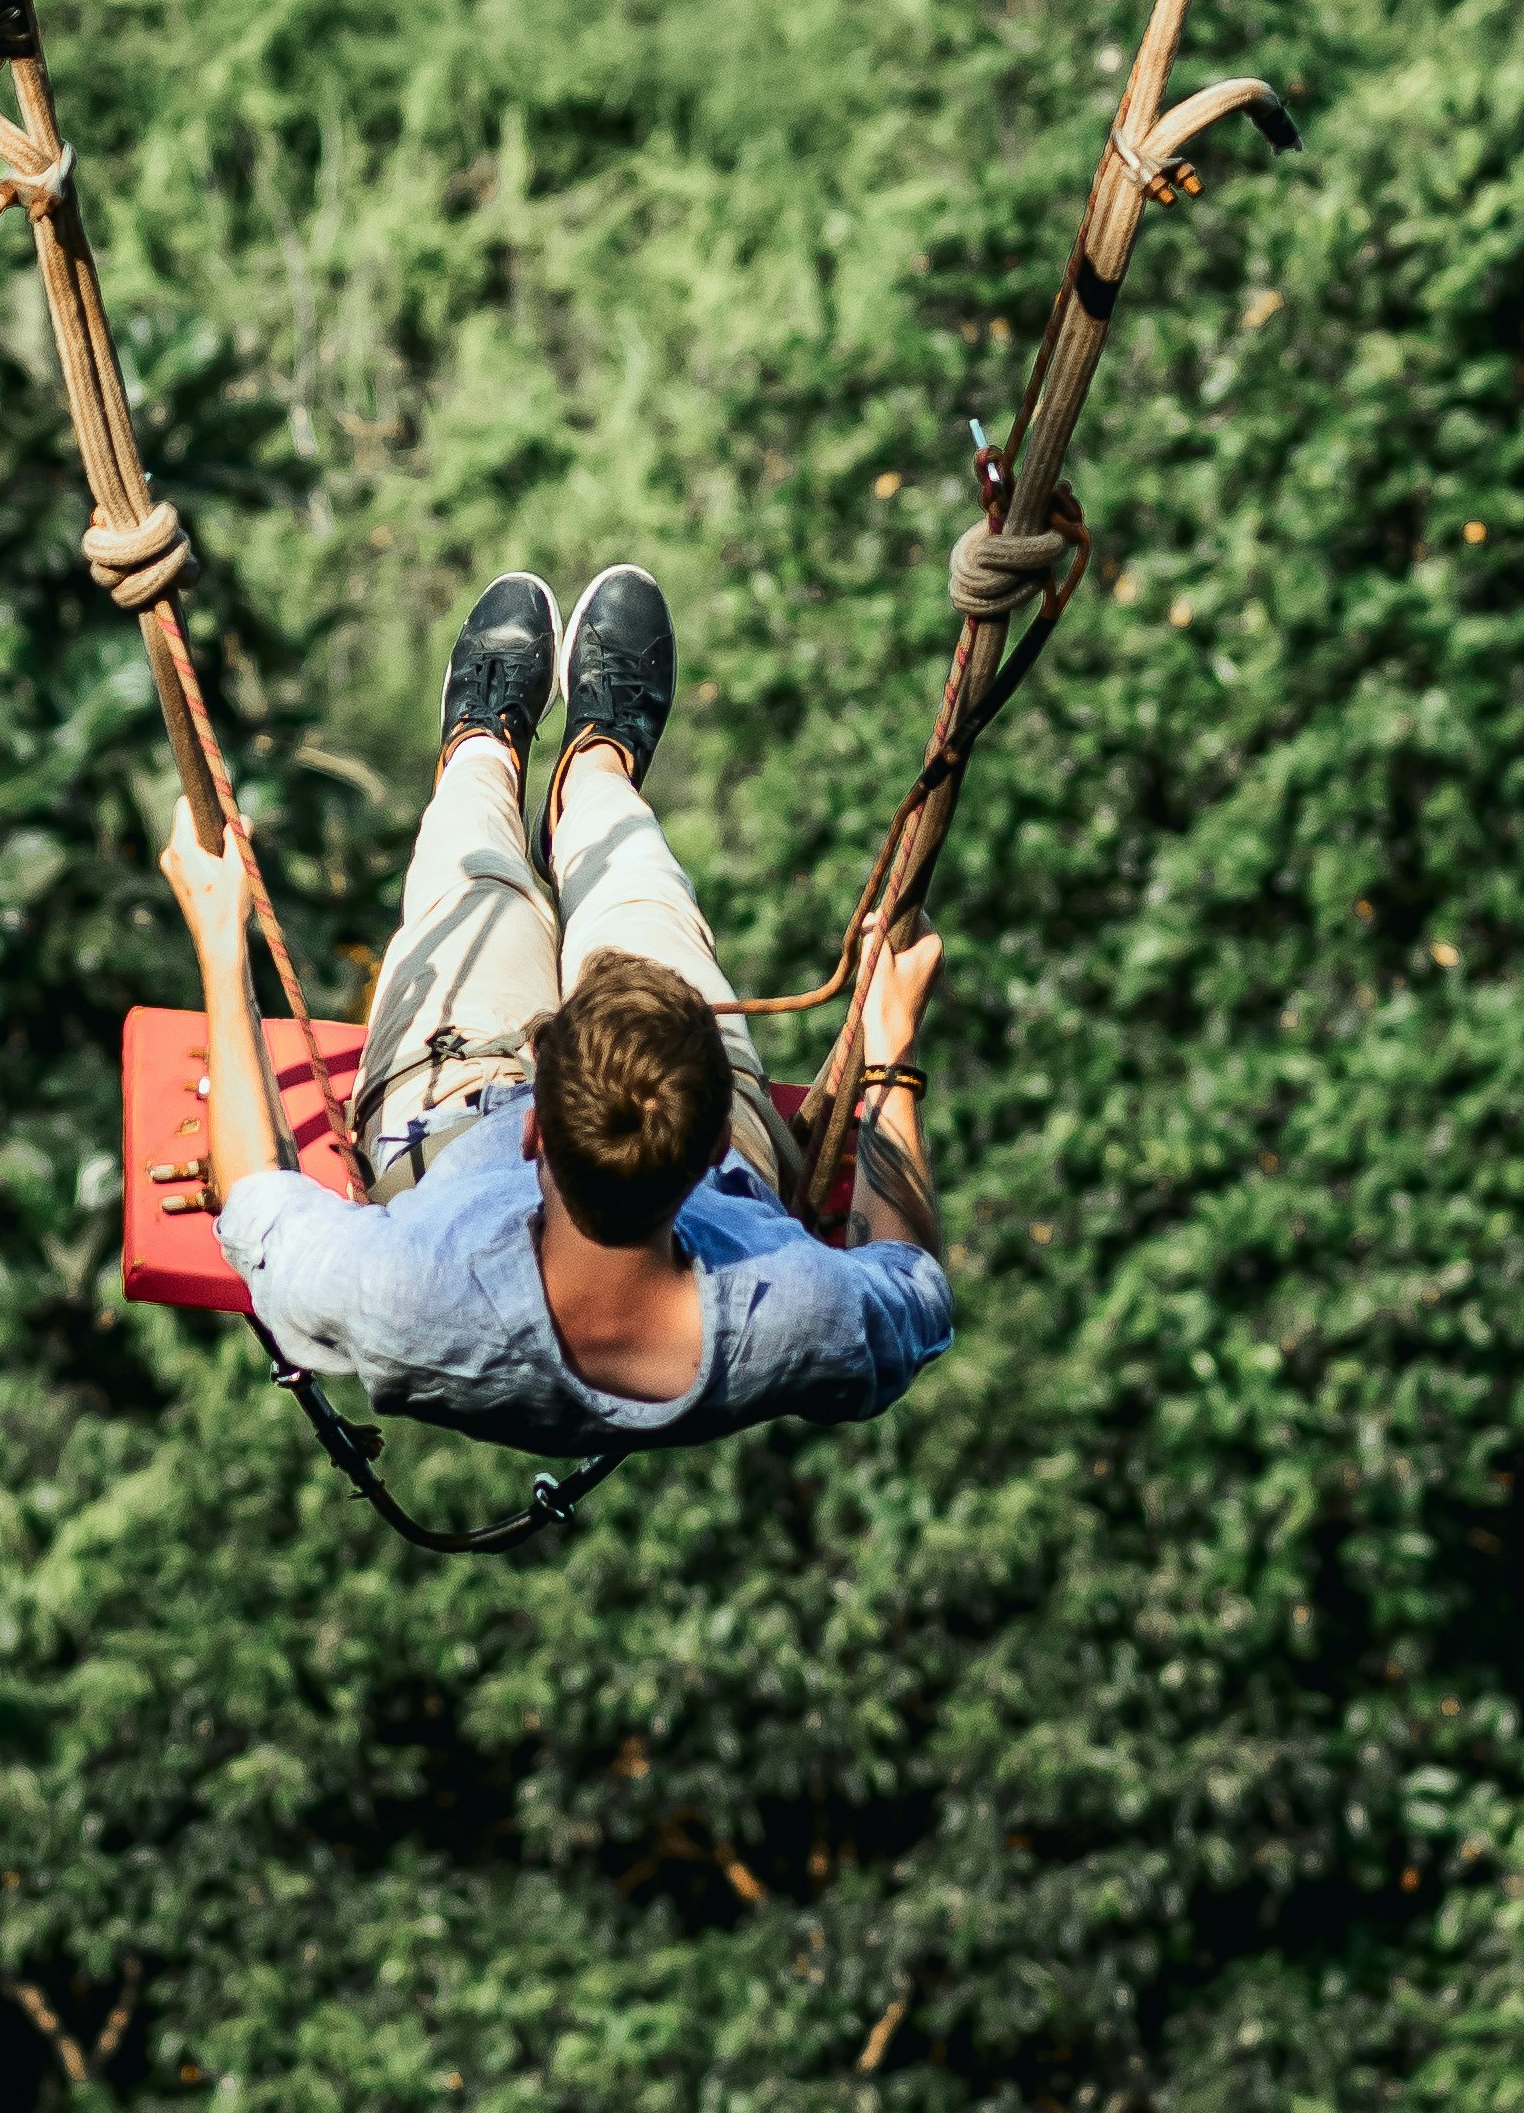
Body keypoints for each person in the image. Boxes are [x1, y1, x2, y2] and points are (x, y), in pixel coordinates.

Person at [157, 561, 953, 1460]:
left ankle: (485, 753)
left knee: (471, 862)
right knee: (639, 895)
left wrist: (221, 947)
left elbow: (258, 1199)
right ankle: (594, 775)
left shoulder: (403, 1292)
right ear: (711, 1148)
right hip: (629, 1140)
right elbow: (913, 1284)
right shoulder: (793, 1310)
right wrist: (889, 1053)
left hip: (446, 1121)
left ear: (537, 1128)